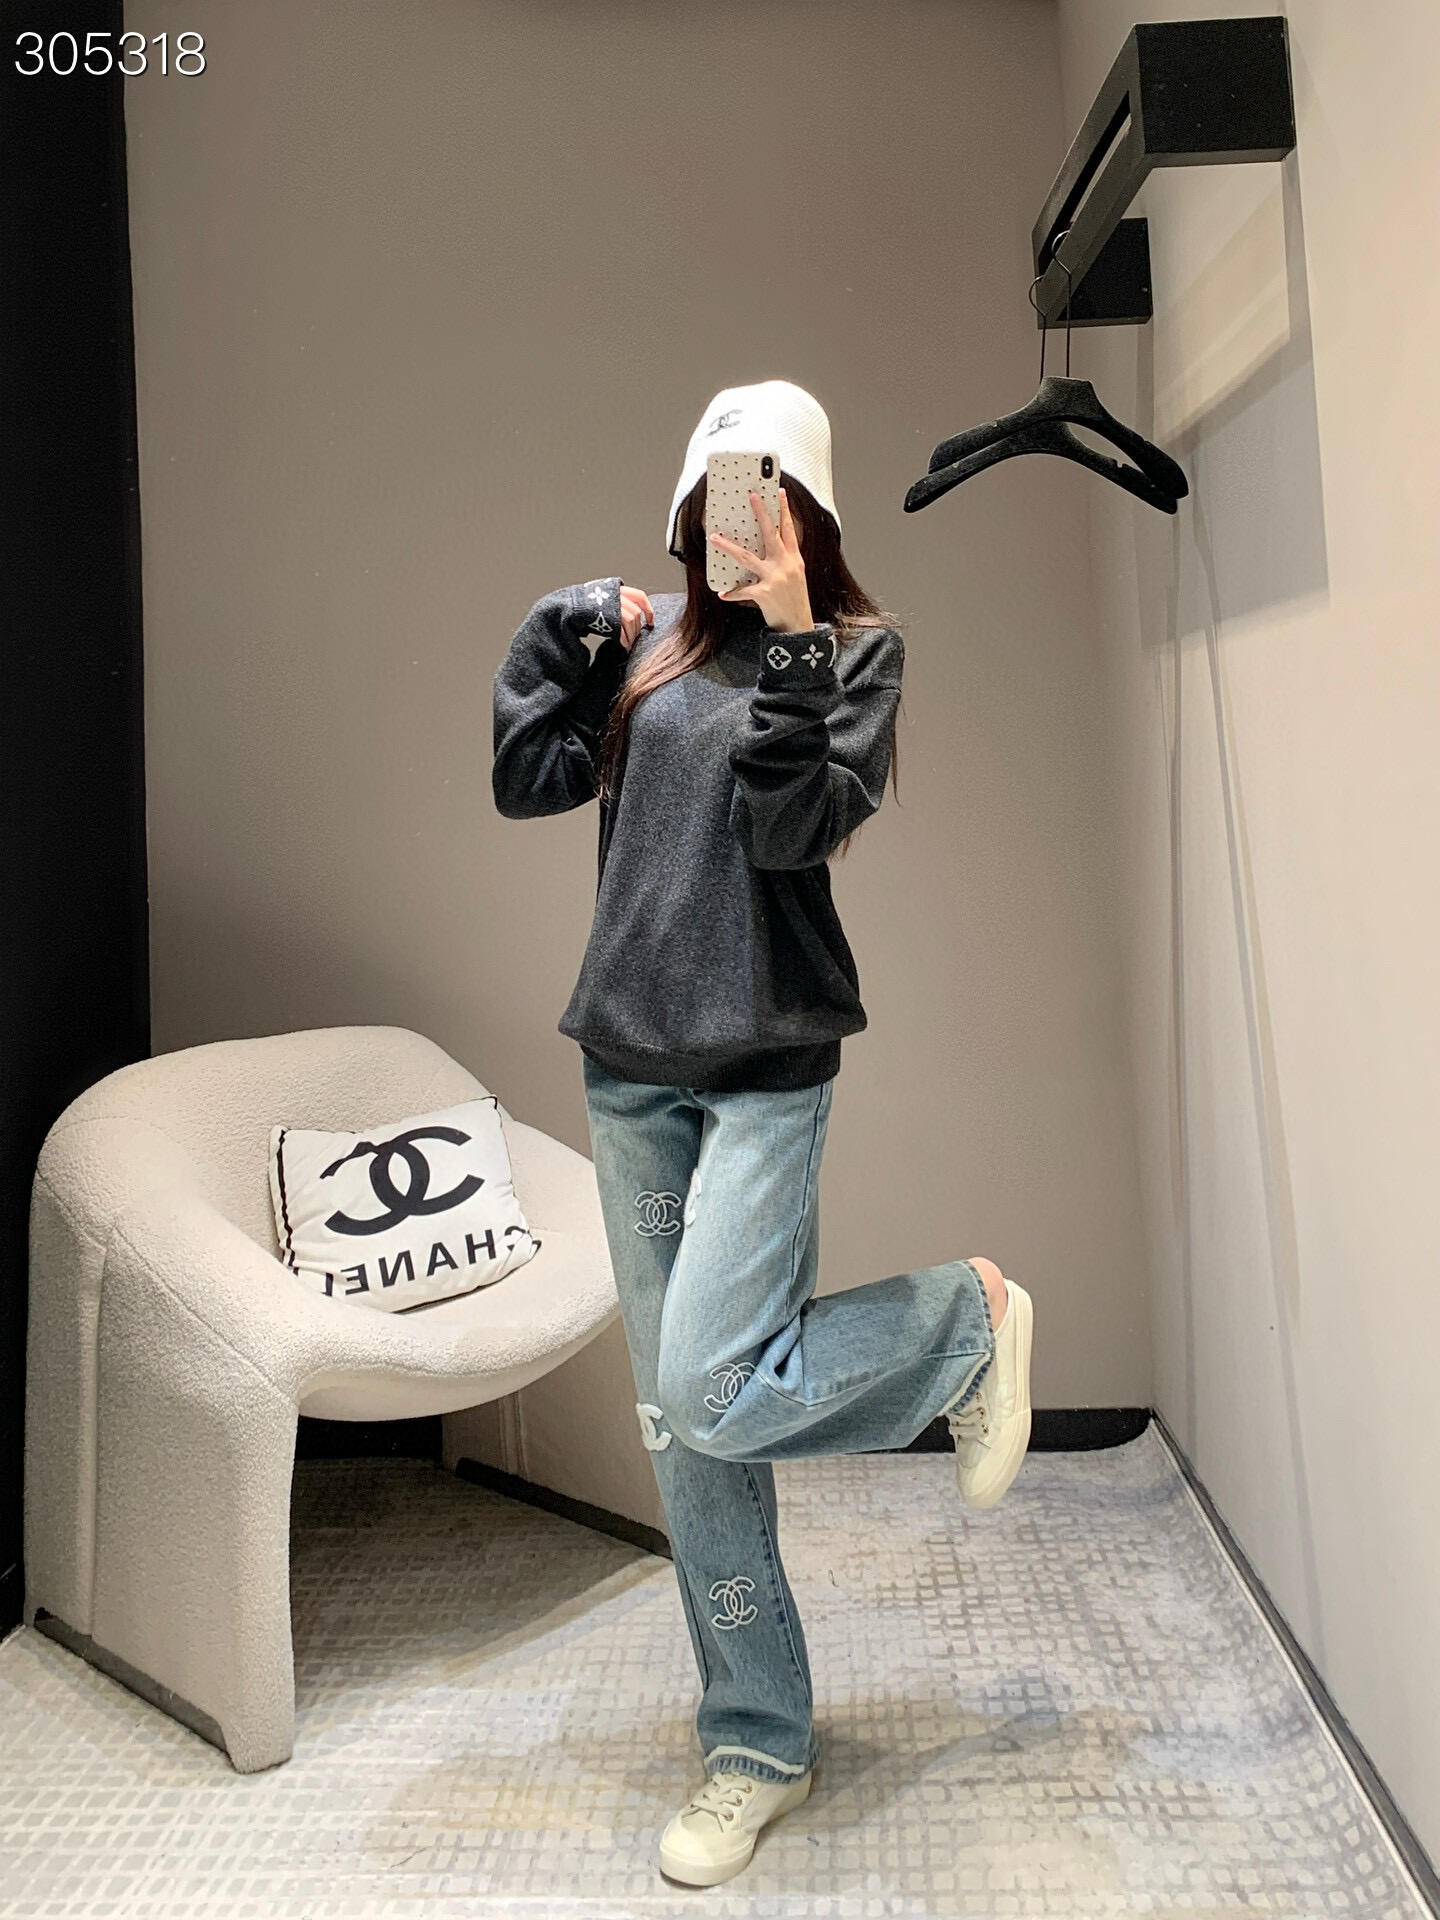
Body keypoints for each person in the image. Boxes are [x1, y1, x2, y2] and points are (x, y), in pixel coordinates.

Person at [491, 379, 1035, 1887]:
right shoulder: (646, 653)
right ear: (689, 507)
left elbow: (795, 831)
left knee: (715, 1386)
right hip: (630, 1076)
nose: (740, 521)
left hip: (764, 1070)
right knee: (684, 1430)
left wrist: (792, 637)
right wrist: (556, 629)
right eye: (721, 495)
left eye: (770, 492)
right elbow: (525, 778)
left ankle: (964, 1322)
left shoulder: (855, 653)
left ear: (809, 509)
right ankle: (755, 1740)